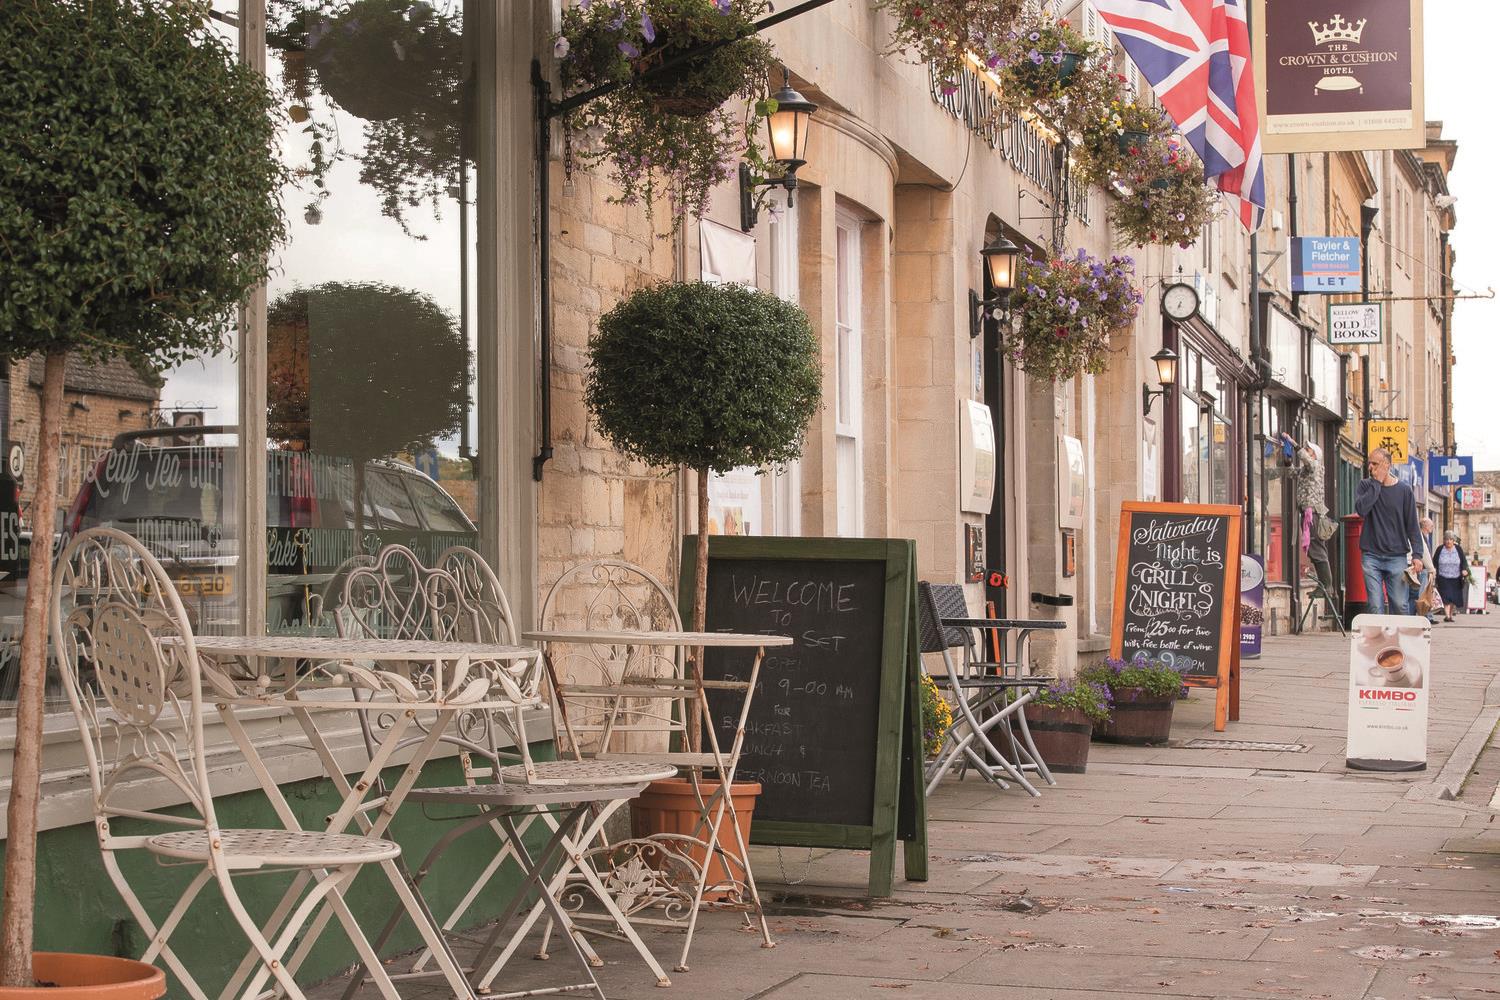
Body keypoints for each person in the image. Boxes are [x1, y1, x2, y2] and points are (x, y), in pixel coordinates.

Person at [1353, 447, 1424, 615]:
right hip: (1371, 555)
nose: (1370, 467)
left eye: (1374, 464)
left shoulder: (1404, 491)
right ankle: (1379, 634)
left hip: (1396, 556)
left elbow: (1412, 525)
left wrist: (1417, 555)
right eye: (1369, 463)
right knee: (1375, 606)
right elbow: (1362, 510)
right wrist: (1377, 483)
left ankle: (1398, 634)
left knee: (1400, 605)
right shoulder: (1366, 486)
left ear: (1387, 465)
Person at [1283, 433, 1333, 595]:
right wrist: (1287, 461)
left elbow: (1308, 461)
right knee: (1313, 550)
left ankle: (1326, 586)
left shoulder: (1316, 467)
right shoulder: (1306, 470)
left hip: (1314, 514)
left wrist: (1293, 443)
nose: (1305, 450)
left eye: (1308, 449)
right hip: (1307, 513)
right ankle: (1324, 586)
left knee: (1317, 549)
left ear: (1314, 455)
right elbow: (1292, 473)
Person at [1433, 530, 1470, 622]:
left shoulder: (1458, 549)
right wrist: (1433, 570)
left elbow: (1463, 561)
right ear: (1444, 540)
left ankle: (1450, 614)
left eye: (1450, 539)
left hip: (1456, 577)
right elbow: (1434, 561)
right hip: (1443, 577)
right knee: (1446, 597)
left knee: (1453, 598)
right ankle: (1447, 616)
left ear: (1453, 540)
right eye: (1446, 539)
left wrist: (1464, 569)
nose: (1448, 541)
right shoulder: (1440, 549)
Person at [1416, 517, 1439, 623]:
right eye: (1431, 525)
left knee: (1427, 593)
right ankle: (1424, 616)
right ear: (1425, 526)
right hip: (1423, 569)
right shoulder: (1421, 536)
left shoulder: (1426, 537)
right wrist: (1431, 569)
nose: (1433, 527)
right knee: (1424, 594)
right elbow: (1424, 554)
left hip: (1425, 569)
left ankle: (1428, 616)